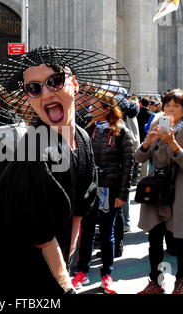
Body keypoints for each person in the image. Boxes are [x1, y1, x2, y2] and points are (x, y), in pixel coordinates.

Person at [0, 46, 130, 295]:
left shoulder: (82, 136)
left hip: (41, 260)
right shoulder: (35, 150)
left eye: (55, 81)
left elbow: (80, 207)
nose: (46, 93)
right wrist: (65, 283)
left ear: (75, 84)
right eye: (34, 88)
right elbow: (40, 234)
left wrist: (67, 258)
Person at [136, 89, 183, 294]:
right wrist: (148, 142)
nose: (170, 109)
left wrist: (172, 144)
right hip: (156, 187)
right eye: (167, 105)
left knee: (182, 239)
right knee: (154, 239)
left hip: (180, 188)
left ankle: (181, 281)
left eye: (176, 106)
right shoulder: (157, 124)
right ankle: (155, 281)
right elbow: (139, 158)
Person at [72, 92, 135, 293]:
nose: (91, 109)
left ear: (108, 108)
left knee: (107, 234)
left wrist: (122, 195)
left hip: (112, 189)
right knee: (87, 232)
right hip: (89, 189)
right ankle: (82, 271)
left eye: (96, 106)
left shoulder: (122, 132)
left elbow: (128, 166)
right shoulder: (88, 128)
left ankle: (107, 274)